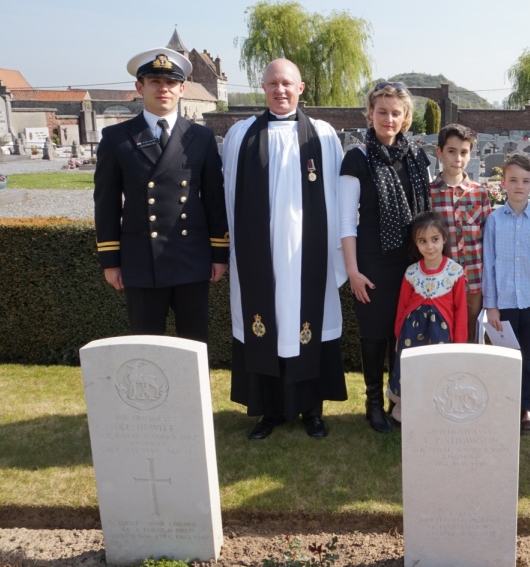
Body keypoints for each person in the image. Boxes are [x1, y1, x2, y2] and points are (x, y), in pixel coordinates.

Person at [222, 58, 348, 441]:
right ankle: (268, 412)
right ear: (263, 88)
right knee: (267, 328)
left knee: (305, 324)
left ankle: (312, 411)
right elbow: (228, 197)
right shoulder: (240, 135)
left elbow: (339, 200)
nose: (280, 90)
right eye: (273, 83)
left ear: (301, 88)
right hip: (260, 257)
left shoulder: (323, 136)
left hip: (308, 256)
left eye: (287, 83)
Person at [94, 47, 228, 343]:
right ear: (139, 87)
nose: (162, 89)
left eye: (170, 83)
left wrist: (219, 253)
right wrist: (110, 260)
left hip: (191, 258)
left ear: (182, 89)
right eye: (154, 82)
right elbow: (106, 203)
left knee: (194, 344)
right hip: (141, 260)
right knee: (146, 348)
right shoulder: (117, 138)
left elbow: (214, 201)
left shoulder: (201, 137)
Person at [339, 82, 431, 433]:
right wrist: (353, 271)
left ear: (406, 117)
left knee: (407, 334)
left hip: (411, 262)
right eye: (382, 111)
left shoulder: (417, 157)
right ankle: (374, 402)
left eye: (396, 112)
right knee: (375, 336)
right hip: (373, 263)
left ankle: (401, 400)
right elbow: (347, 221)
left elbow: (426, 213)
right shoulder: (357, 158)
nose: (388, 118)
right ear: (370, 114)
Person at [482, 153, 530, 435]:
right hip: (504, 304)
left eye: (525, 181)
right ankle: (503, 405)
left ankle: (526, 408)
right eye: (513, 180)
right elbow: (488, 263)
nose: (519, 186)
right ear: (503, 183)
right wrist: (491, 306)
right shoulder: (493, 221)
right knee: (504, 358)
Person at [388, 211, 467, 421]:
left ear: (444, 239)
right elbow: (402, 306)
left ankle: (437, 409)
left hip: (441, 335)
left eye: (434, 240)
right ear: (416, 243)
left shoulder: (455, 271)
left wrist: (459, 343)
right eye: (423, 241)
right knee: (411, 370)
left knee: (437, 369)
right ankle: (408, 407)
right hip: (410, 335)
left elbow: (460, 310)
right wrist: (398, 336)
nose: (429, 246)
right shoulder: (411, 272)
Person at [430, 123, 491, 343]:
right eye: (451, 151)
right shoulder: (430, 194)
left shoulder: (479, 193)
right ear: (440, 152)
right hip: (441, 280)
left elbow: (488, 238)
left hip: (474, 280)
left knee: (471, 336)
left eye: (464, 152)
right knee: (442, 334)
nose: (458, 158)